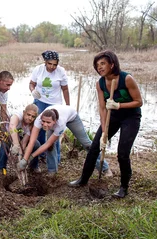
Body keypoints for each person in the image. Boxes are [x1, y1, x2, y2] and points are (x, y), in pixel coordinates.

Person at [69, 50, 142, 198]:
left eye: (103, 63)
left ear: (112, 64)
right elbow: (102, 107)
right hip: (112, 116)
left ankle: (124, 187)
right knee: (94, 147)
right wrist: (104, 131)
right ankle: (83, 179)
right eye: (97, 65)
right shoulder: (100, 83)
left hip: (130, 117)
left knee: (122, 153)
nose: (100, 67)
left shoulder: (126, 79)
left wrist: (119, 105)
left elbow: (139, 102)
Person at [20, 105, 112, 177]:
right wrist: (25, 159)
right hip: (55, 117)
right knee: (51, 148)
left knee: (86, 144)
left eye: (48, 123)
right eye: (43, 121)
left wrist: (32, 156)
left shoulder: (60, 124)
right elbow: (32, 142)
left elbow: (48, 143)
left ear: (55, 121)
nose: (44, 124)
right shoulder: (39, 120)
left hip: (72, 117)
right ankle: (52, 171)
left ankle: (105, 168)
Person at [29, 50, 70, 164]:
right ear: (45, 62)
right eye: (50, 64)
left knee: (53, 131)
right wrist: (33, 91)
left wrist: (67, 106)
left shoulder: (61, 71)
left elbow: (65, 89)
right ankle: (41, 154)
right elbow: (32, 83)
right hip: (40, 101)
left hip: (55, 104)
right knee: (39, 128)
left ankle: (55, 158)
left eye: (55, 64)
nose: (52, 67)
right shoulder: (38, 69)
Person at [0, 104, 41, 175]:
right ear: (24, 112)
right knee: (5, 143)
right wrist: (16, 144)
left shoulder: (32, 124)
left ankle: (33, 166)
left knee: (36, 144)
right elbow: (12, 126)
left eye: (33, 116)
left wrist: (20, 156)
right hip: (9, 133)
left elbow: (24, 142)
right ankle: (1, 167)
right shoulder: (17, 115)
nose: (30, 118)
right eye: (28, 115)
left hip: (20, 135)